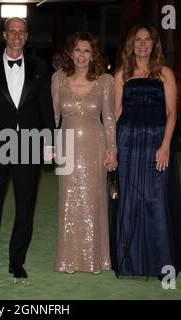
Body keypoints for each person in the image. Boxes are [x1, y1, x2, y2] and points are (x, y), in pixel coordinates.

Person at [0, 17, 56, 279]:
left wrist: (50, 141)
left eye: (21, 32)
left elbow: (45, 108)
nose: (17, 36)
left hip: (29, 144)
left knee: (25, 205)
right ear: (4, 35)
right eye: (12, 31)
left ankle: (17, 261)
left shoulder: (40, 66)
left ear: (26, 37)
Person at [111, 24, 181, 278]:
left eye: (147, 40)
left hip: (157, 143)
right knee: (130, 199)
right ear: (131, 44)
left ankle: (162, 262)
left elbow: (172, 112)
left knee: (156, 198)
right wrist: (112, 148)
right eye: (138, 40)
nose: (142, 44)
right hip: (128, 143)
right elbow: (116, 113)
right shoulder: (121, 74)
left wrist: (165, 144)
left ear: (154, 44)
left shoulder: (164, 72)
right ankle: (130, 260)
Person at [51, 32, 117, 274]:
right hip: (67, 146)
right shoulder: (58, 79)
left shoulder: (105, 80)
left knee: (93, 202)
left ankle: (95, 260)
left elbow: (109, 117)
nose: (81, 55)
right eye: (77, 50)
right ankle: (68, 260)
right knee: (68, 201)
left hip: (95, 145)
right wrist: (50, 144)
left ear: (93, 55)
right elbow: (54, 116)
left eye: (86, 51)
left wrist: (113, 149)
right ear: (70, 53)